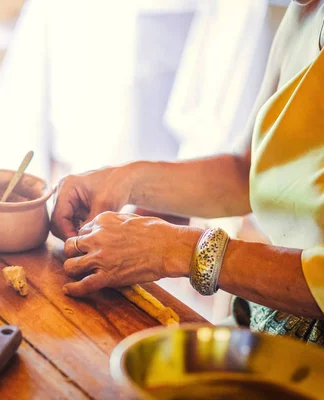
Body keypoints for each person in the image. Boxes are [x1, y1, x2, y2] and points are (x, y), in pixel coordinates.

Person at [51, 0, 324, 345]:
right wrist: (124, 180)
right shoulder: (307, 9)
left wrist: (175, 249)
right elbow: (246, 173)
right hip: (264, 320)